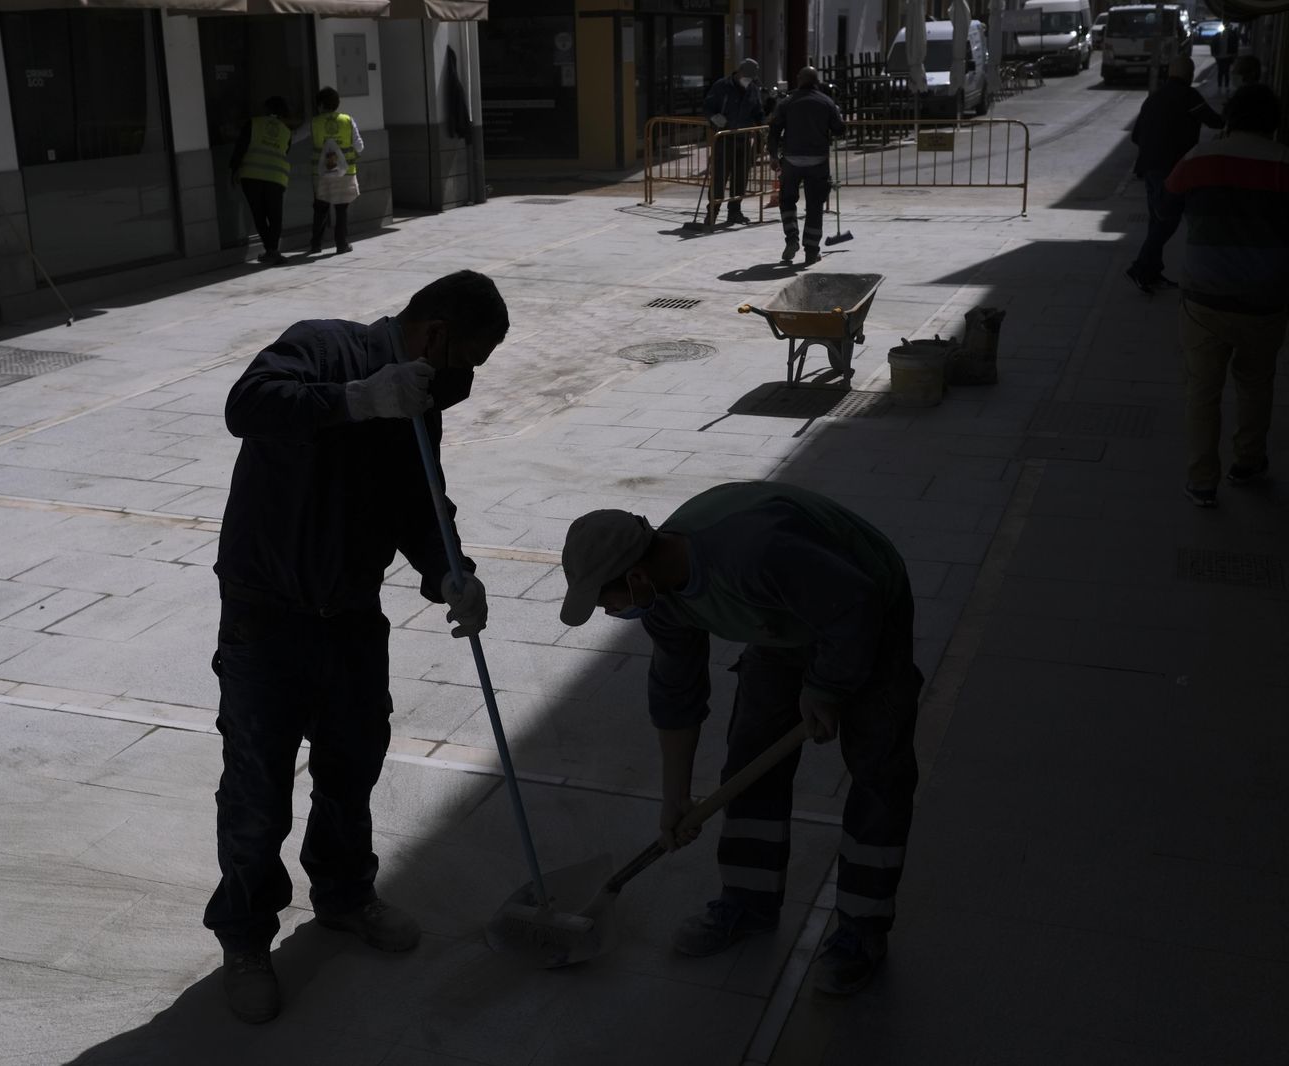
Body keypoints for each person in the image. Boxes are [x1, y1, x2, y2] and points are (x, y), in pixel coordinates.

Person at [208, 271, 510, 1022]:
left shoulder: (422, 398)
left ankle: (344, 896)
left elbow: (419, 499)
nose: (465, 379)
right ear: (435, 332)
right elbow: (245, 407)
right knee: (257, 789)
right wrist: (354, 400)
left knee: (352, 765)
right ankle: (245, 938)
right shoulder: (321, 346)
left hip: (348, 613)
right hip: (265, 614)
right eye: (467, 359)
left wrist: (451, 573)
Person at [558, 482, 922, 997]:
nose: (608, 612)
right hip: (778, 619)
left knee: (878, 775)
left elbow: (854, 604)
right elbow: (677, 696)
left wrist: (826, 688)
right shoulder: (661, 597)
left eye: (606, 600)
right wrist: (675, 799)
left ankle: (861, 932)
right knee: (750, 761)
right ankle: (748, 902)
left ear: (636, 576)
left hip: (864, 604)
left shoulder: (753, 552)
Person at [1162, 84, 1289, 507]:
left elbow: (1165, 208)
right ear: (1273, 123)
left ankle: (1203, 481)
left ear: (1231, 118)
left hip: (1205, 297)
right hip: (1266, 298)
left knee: (1202, 391)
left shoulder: (1199, 159)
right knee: (1256, 384)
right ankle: (1248, 461)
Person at [1125, 56, 1223, 293]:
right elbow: (1215, 122)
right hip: (1172, 169)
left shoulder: (1153, 98)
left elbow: (1135, 135)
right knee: (1168, 220)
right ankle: (1140, 267)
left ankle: (1151, 271)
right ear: (1189, 75)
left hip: (1149, 168)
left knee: (1157, 220)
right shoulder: (1189, 97)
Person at [767, 66, 845, 267]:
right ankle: (811, 251)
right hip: (818, 161)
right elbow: (839, 130)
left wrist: (773, 155)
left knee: (787, 200)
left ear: (799, 80)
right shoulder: (826, 102)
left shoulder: (787, 102)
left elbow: (774, 130)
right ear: (817, 81)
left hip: (792, 160)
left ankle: (791, 238)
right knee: (815, 206)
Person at [703, 58, 771, 228]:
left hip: (744, 138)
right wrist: (714, 118)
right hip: (725, 138)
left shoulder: (753, 88)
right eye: (746, 76)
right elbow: (708, 107)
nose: (748, 80)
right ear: (739, 72)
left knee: (741, 177)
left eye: (751, 77)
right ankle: (712, 211)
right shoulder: (722, 86)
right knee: (720, 178)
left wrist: (763, 126)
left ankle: (735, 211)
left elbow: (758, 111)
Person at [230, 97, 296, 266]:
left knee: (258, 215)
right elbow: (285, 151)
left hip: (251, 176)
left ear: (266, 109)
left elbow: (240, 147)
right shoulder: (286, 131)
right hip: (276, 177)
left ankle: (270, 250)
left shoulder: (253, 123)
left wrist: (234, 169)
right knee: (275, 216)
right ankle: (273, 250)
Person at [309, 87, 364, 256]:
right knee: (341, 210)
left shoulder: (314, 122)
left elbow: (296, 136)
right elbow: (360, 146)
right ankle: (342, 244)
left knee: (320, 208)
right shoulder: (348, 120)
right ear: (336, 104)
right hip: (345, 173)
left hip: (322, 173)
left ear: (320, 105)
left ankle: (316, 245)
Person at [1214, 23, 1240, 92]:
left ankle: (1225, 85)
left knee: (1225, 72)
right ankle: (1221, 85)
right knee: (1222, 71)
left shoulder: (1230, 36)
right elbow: (1213, 44)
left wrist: (1234, 54)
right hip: (1221, 56)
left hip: (1226, 56)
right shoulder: (1218, 36)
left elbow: (1234, 45)